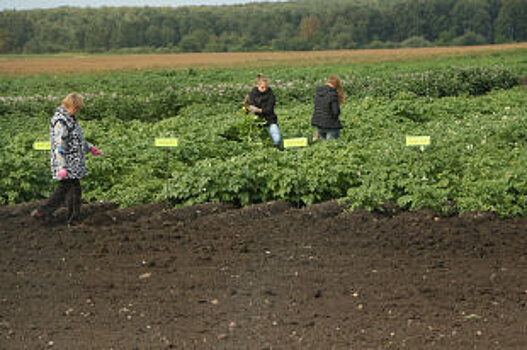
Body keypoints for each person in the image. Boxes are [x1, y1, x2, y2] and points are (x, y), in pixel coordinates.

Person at [31, 93, 102, 226]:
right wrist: (62, 166)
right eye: (77, 108)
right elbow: (60, 145)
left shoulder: (70, 119)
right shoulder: (61, 122)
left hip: (73, 163)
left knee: (68, 190)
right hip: (67, 163)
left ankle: (52, 214)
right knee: (72, 190)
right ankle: (61, 216)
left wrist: (90, 148)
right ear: (72, 106)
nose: (78, 111)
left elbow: (77, 139)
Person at [246, 74, 282, 149]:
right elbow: (248, 106)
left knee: (277, 139)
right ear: (257, 85)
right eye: (262, 87)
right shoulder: (252, 94)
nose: (264, 89)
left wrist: (257, 110)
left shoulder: (270, 95)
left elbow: (269, 109)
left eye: (266, 87)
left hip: (270, 119)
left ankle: (278, 149)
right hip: (256, 121)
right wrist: (248, 108)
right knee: (258, 142)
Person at [311, 75, 345, 140]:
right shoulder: (333, 94)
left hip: (319, 124)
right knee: (331, 147)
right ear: (336, 85)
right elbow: (336, 112)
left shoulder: (318, 93)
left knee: (325, 147)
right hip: (331, 125)